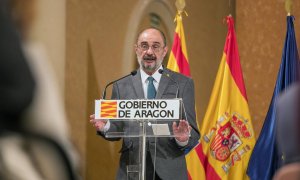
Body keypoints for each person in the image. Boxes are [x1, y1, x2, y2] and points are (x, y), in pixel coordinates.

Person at [89, 27, 200, 180]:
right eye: (144, 45)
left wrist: (183, 138)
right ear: (136, 49)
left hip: (170, 172)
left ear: (164, 51)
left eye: (155, 46)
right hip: (131, 170)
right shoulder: (120, 85)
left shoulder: (182, 83)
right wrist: (106, 126)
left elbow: (193, 131)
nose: (149, 52)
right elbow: (118, 127)